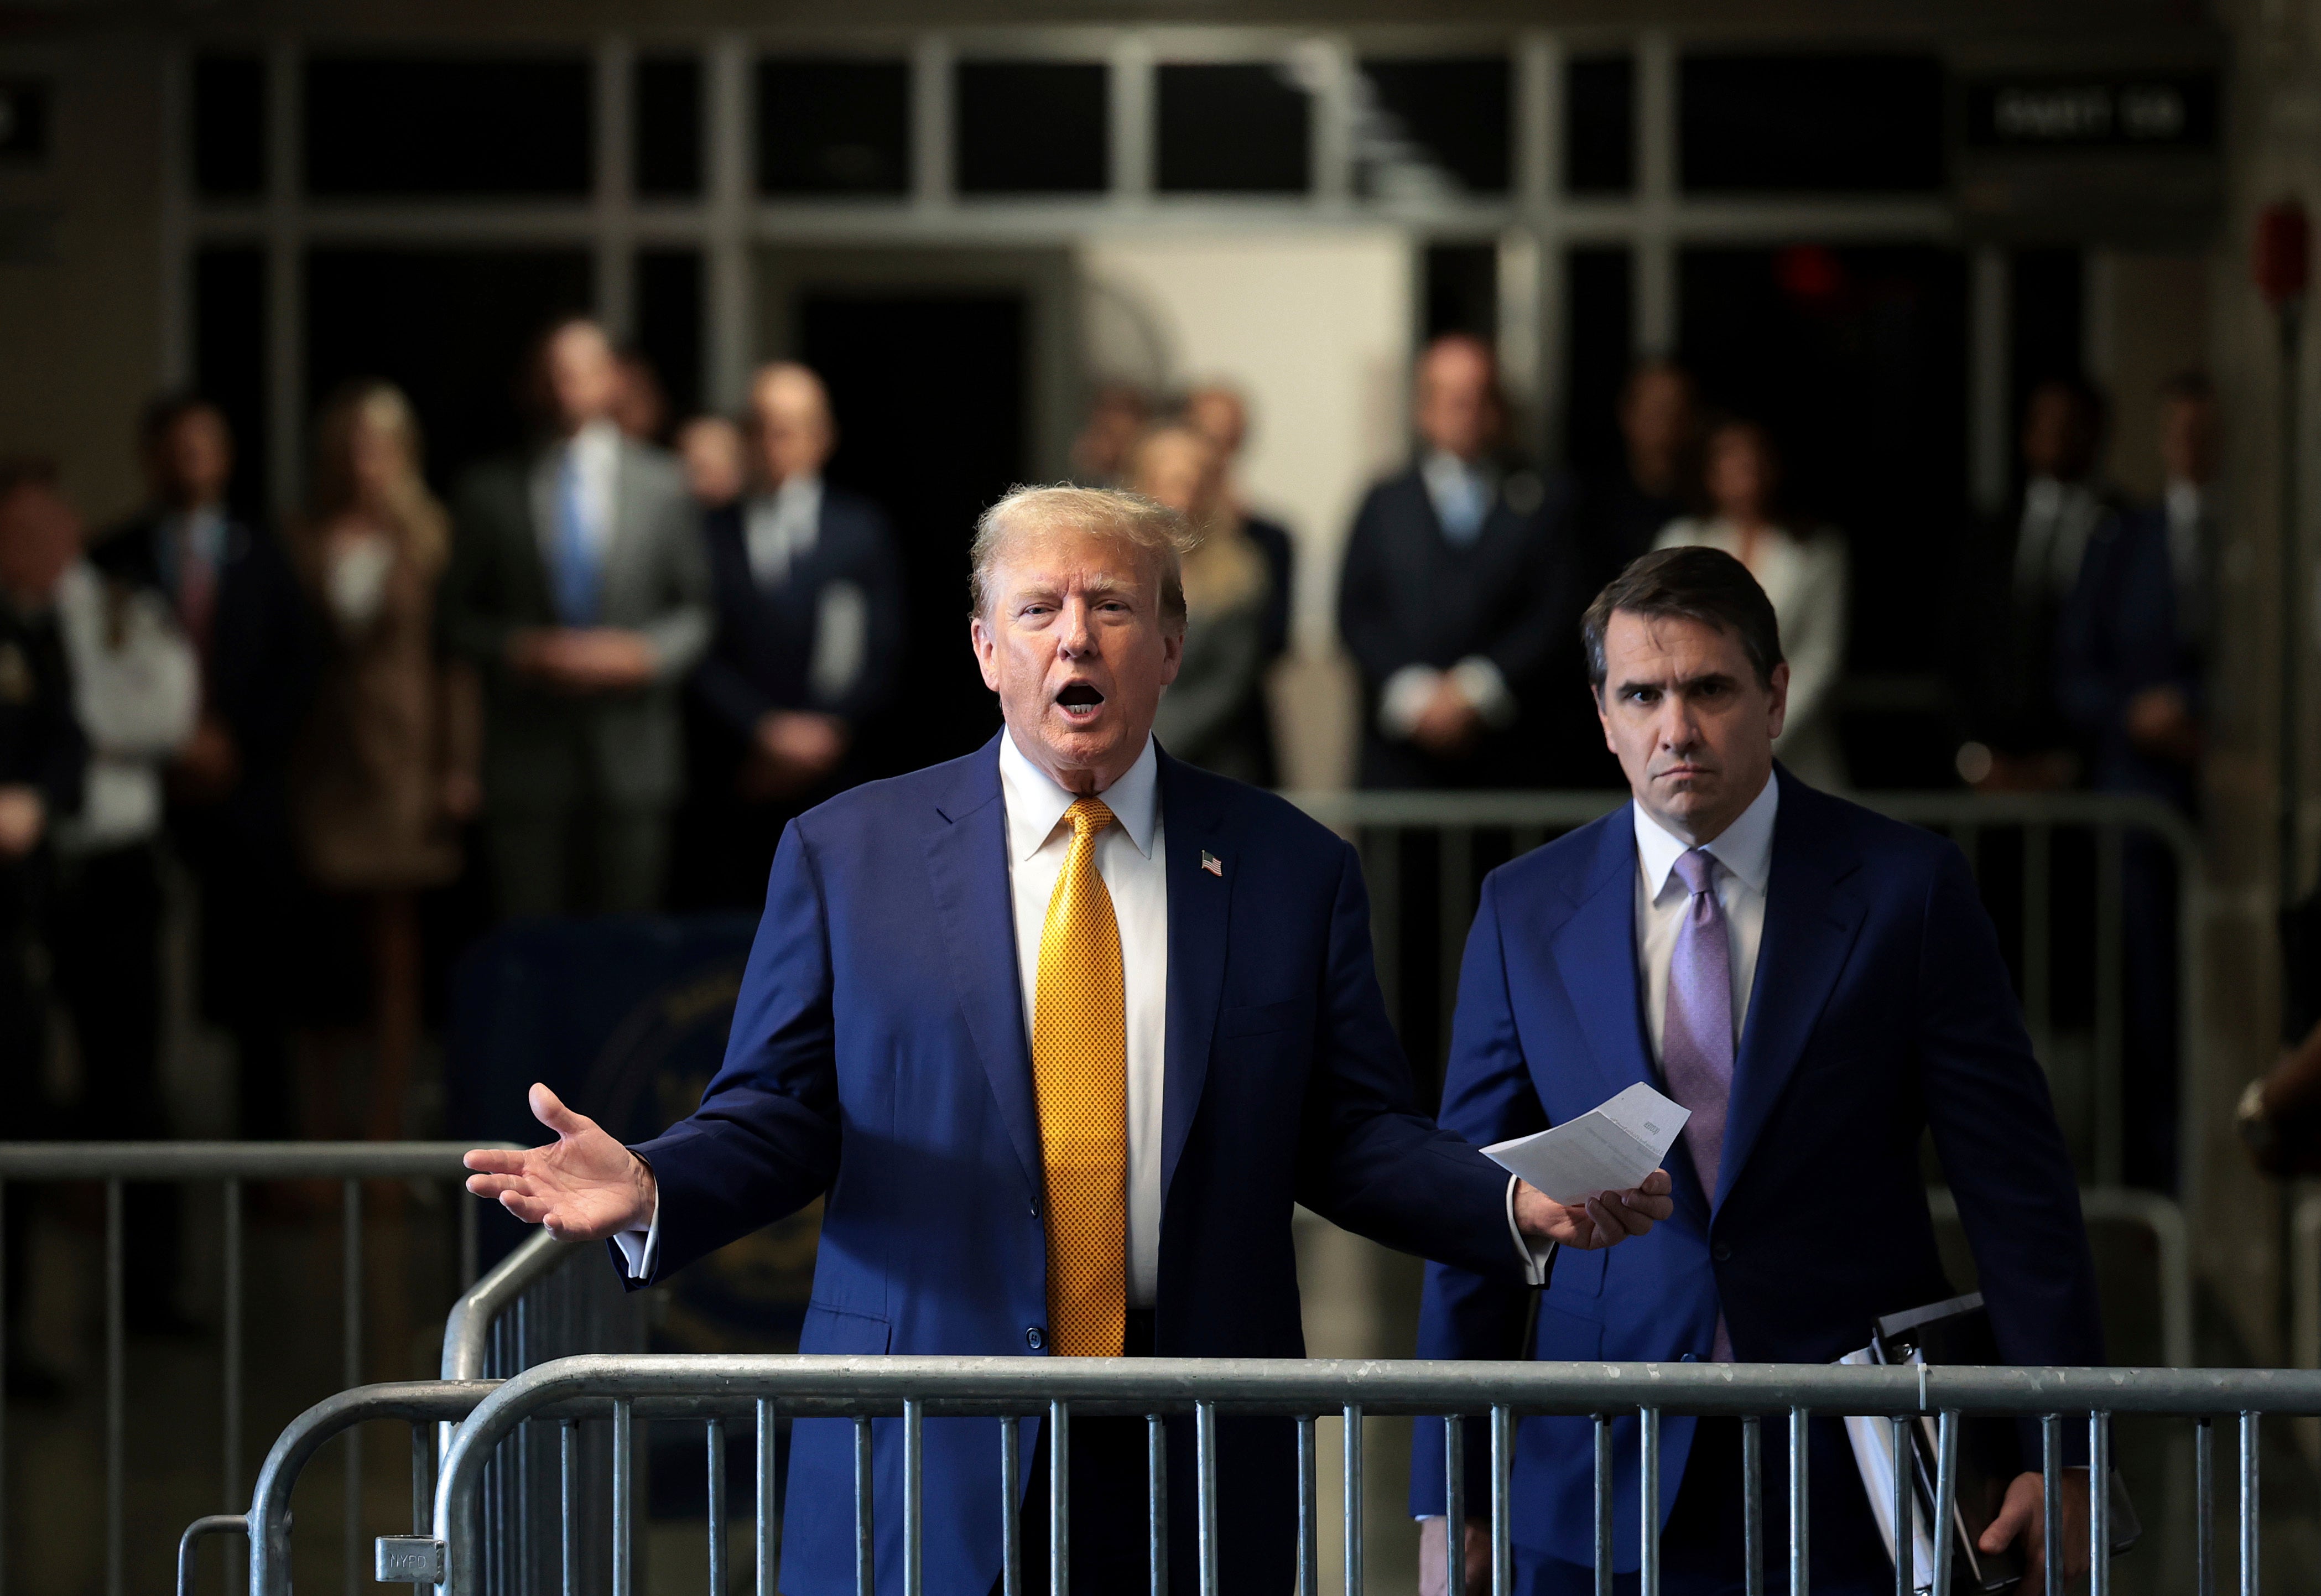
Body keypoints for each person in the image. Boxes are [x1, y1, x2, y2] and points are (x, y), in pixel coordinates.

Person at [464, 484, 1674, 1596]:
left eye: (1110, 605)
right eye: (1037, 607)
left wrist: (1508, 1203)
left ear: (1171, 645)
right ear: (987, 648)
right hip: (927, 1424)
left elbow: (1350, 1131)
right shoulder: (849, 854)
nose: (1075, 637)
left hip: (1192, 1426)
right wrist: (655, 1181)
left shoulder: (1291, 868)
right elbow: (779, 1109)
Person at [1411, 547, 2103, 1595]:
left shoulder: (1907, 892)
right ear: (1602, 714)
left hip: (1852, 1456)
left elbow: (2017, 1194)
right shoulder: (1523, 910)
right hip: (1599, 1463)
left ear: (1775, 696)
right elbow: (1474, 1215)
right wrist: (1449, 1492)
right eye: (1641, 694)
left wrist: (2065, 1452)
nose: (1675, 729)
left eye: (1709, 689)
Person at [92, 395, 314, 1137]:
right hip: (143, 794)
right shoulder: (111, 556)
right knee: (125, 982)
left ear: (226, 457)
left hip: (244, 789)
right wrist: (166, 746)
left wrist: (236, 742)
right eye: (174, 447)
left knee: (262, 985)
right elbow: (94, 674)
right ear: (150, 456)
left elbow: (296, 665)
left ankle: (267, 1155)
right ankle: (126, 1147)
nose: (189, 461)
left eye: (204, 446)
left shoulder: (266, 550)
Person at [440, 318, 712, 918]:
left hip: (633, 751)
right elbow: (453, 617)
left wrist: (646, 655)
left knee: (625, 944)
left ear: (612, 380)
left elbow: (697, 608)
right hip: (526, 755)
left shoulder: (662, 482)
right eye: (555, 374)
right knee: (531, 941)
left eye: (584, 371)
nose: (569, 388)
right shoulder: (488, 489)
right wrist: (519, 648)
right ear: (534, 385)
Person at [26, 465, 199, 1329]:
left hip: (114, 869)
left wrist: (66, 731)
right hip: (27, 875)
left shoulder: (120, 608)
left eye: (39, 529)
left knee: (131, 1081)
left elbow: (165, 715)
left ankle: (150, 1294)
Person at [288, 382, 480, 1137]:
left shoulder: (430, 540)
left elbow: (454, 663)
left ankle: (386, 1135)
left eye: (380, 447)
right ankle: (321, 1139)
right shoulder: (302, 537)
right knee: (322, 966)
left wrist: (459, 765)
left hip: (406, 764)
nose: (366, 463)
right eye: (352, 447)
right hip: (325, 765)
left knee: (396, 963)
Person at [2053, 372, 2216, 1192]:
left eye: (2207, 430)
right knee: (2149, 999)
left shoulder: (2255, 534)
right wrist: (2134, 717)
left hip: (2232, 802)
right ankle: (2158, 1179)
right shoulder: (2128, 540)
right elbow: (2075, 672)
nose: (2192, 445)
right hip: (2142, 800)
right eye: (2179, 429)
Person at [680, 362, 903, 909]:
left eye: (792, 425)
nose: (776, 440)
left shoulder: (860, 530)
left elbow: (883, 648)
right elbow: (697, 647)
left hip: (837, 773)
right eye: (761, 425)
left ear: (822, 436)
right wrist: (760, 730)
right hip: (735, 774)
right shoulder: (707, 531)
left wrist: (824, 733)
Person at [1337, 334, 1589, 789]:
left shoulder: (1546, 498)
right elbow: (1355, 612)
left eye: (1480, 397)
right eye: (1454, 399)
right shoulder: (1383, 502)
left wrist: (1478, 689)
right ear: (1423, 409)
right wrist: (1415, 695)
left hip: (1513, 765)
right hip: (1400, 768)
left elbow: (1558, 609)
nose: (1468, 411)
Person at [0, 463, 89, 1387]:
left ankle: (12, 1331)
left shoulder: (42, 626)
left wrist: (34, 801)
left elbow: (69, 747)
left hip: (16, 918)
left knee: (19, 1121)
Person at [1655, 419, 1849, 789]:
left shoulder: (1816, 551)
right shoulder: (1679, 541)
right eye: (1730, 458)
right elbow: (1661, 646)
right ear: (1708, 471)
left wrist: (1762, 732)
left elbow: (1821, 658)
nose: (1745, 469)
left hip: (1794, 753)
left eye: (1754, 457)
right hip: (1694, 748)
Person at [1954, 377, 2122, 790]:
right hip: (1990, 776)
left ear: (2096, 433)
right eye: (2045, 423)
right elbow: (1958, 649)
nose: (2057, 437)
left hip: (2090, 782)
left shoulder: (2124, 530)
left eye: (2071, 424)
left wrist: (2072, 764)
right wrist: (1974, 757)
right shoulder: (1989, 532)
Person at [1126, 423, 1277, 785]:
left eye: (1193, 485)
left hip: (1210, 770)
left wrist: (1142, 744)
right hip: (1121, 769)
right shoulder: (1114, 567)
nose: (1182, 500)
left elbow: (1226, 687)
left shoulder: (1239, 574)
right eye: (1171, 483)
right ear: (1142, 486)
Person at [1182, 382, 1295, 669]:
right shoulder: (1146, 535)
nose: (1216, 454)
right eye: (1206, 438)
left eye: (1228, 440)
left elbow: (1273, 640)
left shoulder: (1269, 539)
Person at [1577, 358, 1700, 591]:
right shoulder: (1591, 505)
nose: (1666, 424)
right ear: (1627, 414)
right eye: (1655, 412)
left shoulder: (1706, 504)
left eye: (1676, 411)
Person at [675, 413, 748, 512]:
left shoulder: (757, 514)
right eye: (698, 471)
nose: (707, 481)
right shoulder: (679, 512)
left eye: (717, 470)